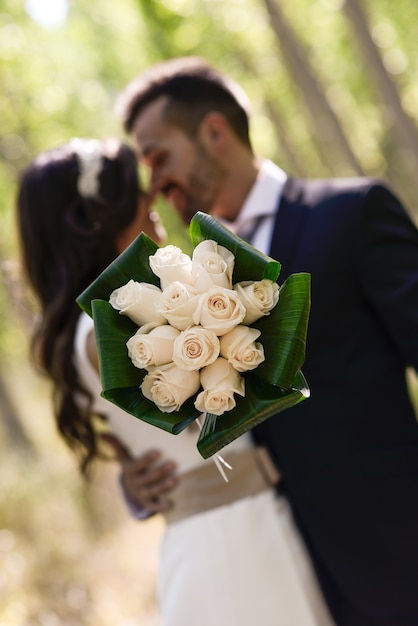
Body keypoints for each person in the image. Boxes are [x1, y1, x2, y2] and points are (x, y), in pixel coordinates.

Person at [115, 56, 418, 626]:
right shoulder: (185, 285)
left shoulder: (351, 213)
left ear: (214, 132)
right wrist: (136, 485)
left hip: (394, 544)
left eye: (158, 156)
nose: (153, 183)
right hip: (278, 572)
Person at [16, 137, 334, 626]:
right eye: (135, 191)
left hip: (236, 529)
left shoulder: (101, 323)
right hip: (232, 543)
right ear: (96, 216)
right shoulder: (113, 328)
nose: (151, 201)